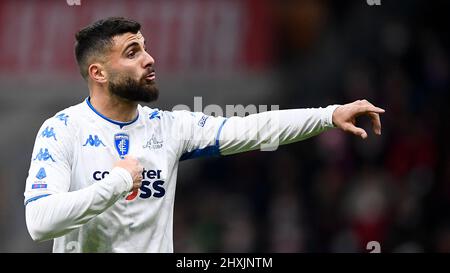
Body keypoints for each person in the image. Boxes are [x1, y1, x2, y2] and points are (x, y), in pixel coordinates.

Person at [24, 17, 385, 253]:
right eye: (133, 52)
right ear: (98, 73)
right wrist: (117, 183)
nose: (149, 59)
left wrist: (328, 115)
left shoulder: (169, 127)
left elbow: (253, 128)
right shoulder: (62, 130)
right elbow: (40, 223)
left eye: (146, 47)